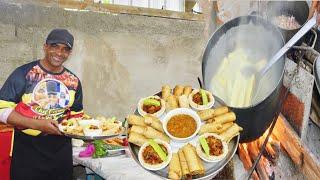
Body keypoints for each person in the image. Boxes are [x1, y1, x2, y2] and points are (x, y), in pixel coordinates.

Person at [0, 28, 84, 180]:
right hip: (28, 153)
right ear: (45, 47)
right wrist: (37, 124)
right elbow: (2, 110)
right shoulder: (24, 74)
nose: (59, 53)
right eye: (55, 46)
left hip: (61, 154)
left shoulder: (74, 81)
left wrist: (88, 129)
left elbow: (76, 115)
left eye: (65, 49)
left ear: (69, 54)